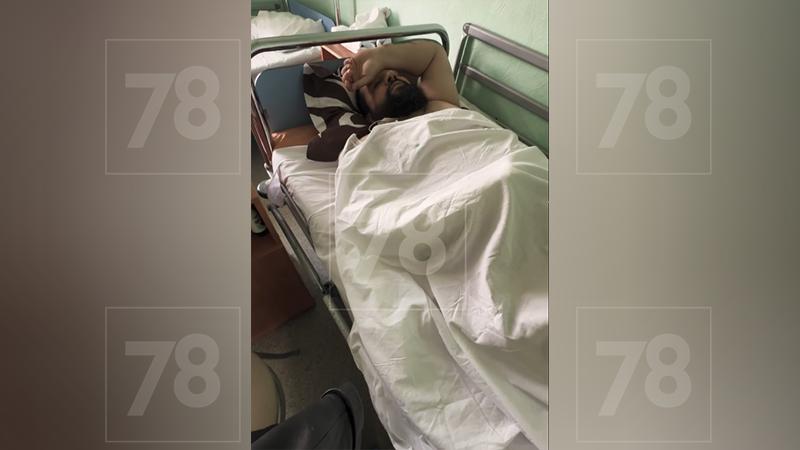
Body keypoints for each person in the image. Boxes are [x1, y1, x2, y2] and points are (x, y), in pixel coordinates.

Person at [341, 40, 461, 121]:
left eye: (395, 73)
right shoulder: (372, 140)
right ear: (370, 117)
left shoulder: (438, 104)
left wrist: (379, 56)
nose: (391, 76)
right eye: (376, 84)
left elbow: (435, 52)